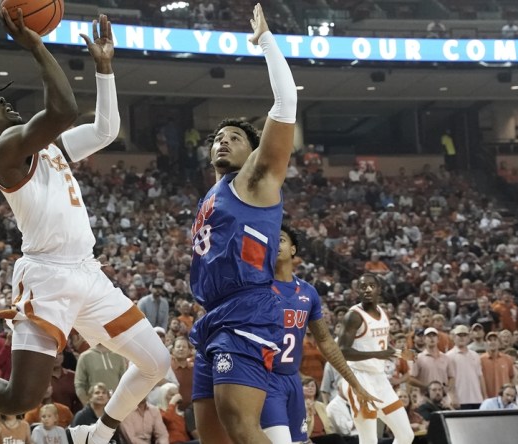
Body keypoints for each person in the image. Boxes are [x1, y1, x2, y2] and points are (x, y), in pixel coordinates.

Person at [0, 12, 169, 444]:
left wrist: (105, 68)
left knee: (156, 362)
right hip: (48, 276)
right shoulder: (3, 154)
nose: (1, 101)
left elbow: (105, 129)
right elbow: (64, 109)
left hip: (88, 274)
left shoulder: (48, 146)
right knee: (22, 397)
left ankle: (98, 433)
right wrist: (37, 45)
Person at [188, 5, 305, 443]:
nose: (224, 140)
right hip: (212, 316)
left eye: (236, 138)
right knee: (213, 436)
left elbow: (285, 100)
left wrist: (265, 42)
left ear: (253, 152)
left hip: (247, 310)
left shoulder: (256, 179)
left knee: (242, 426)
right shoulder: (211, 196)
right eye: (219, 137)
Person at [262, 227, 376, 442]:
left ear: (293, 249)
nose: (274, 244)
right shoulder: (258, 287)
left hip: (293, 380)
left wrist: (354, 383)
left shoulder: (308, 292)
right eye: (270, 240)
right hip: (266, 379)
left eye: (281, 239)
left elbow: (325, 341)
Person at [337, 273, 415, 444]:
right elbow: (341, 351)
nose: (368, 289)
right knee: (369, 441)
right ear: (357, 290)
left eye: (372, 285)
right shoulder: (353, 316)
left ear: (379, 289)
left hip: (380, 379)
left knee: (406, 436)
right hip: (358, 379)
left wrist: (398, 353)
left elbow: (377, 346)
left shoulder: (383, 313)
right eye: (363, 286)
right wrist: (378, 355)